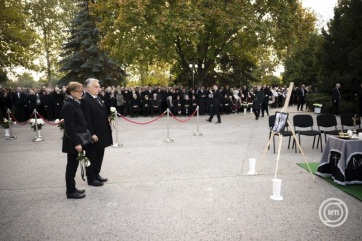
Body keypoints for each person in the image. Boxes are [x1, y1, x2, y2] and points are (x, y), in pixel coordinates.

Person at [81, 78, 113, 187]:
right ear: (88, 88)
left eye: (99, 86)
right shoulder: (85, 99)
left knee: (99, 155)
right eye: (96, 87)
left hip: (101, 132)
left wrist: (107, 117)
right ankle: (91, 178)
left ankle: (96, 174)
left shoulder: (97, 98)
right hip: (94, 134)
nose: (98, 89)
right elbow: (87, 120)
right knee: (91, 156)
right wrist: (91, 133)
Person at [61, 82, 87, 199]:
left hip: (78, 139)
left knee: (74, 165)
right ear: (72, 92)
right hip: (73, 141)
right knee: (71, 166)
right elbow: (70, 126)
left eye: (82, 91)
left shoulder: (75, 103)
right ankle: (70, 191)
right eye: (79, 91)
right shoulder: (68, 105)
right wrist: (76, 143)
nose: (81, 93)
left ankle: (73, 188)